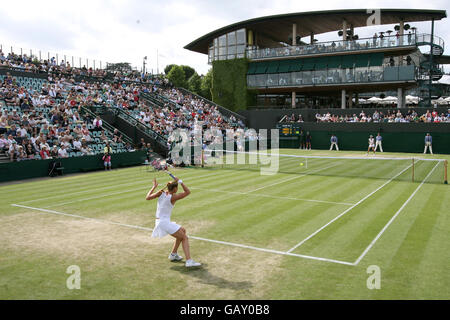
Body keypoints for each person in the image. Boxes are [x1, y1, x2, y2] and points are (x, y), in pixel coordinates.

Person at [147, 177, 201, 268]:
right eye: (177, 188)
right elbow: (187, 192)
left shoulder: (161, 193)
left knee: (182, 231)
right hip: (164, 222)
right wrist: (181, 182)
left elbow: (147, 197)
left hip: (160, 221)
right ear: (175, 189)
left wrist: (154, 187)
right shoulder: (173, 197)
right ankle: (189, 261)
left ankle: (173, 254)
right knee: (184, 238)